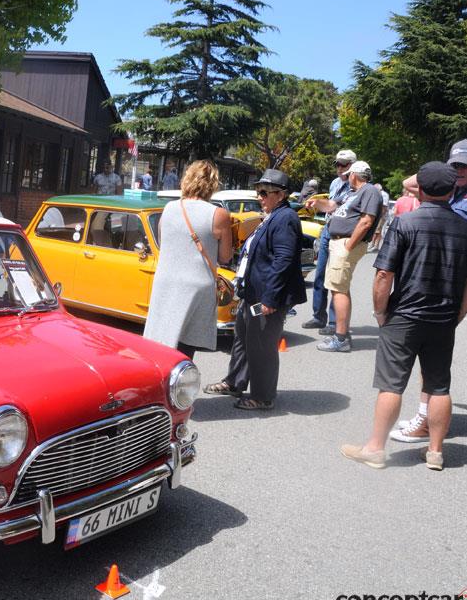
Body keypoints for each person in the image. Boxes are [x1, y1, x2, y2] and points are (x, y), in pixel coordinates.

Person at [341, 162, 467, 470]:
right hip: (444, 316)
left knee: (392, 384)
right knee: (438, 385)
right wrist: (458, 314)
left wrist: (381, 311)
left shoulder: (405, 223)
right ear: (453, 189)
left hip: (404, 314)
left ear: (419, 188)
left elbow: (383, 274)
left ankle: (376, 449)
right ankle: (435, 451)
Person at [391, 139, 467, 442]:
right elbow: (408, 182)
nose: (458, 171)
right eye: (453, 165)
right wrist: (441, 173)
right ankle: (424, 415)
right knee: (427, 357)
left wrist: (456, 264)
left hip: (449, 288)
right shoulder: (453, 187)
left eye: (464, 166)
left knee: (434, 361)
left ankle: (425, 423)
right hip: (430, 284)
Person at [205, 169, 306, 410]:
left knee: (262, 345)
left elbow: (283, 261)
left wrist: (270, 299)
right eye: (258, 191)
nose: (259, 196)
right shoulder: (272, 216)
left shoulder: (285, 219)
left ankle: (262, 395)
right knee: (242, 338)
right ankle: (235, 382)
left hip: (266, 296)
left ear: (280, 195)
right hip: (252, 292)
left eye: (264, 192)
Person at [143, 160, 233, 359]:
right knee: (184, 349)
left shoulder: (169, 208)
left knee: (161, 342)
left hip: (165, 281)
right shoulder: (219, 215)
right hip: (196, 286)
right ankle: (178, 386)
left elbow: (162, 242)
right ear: (213, 184)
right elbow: (225, 257)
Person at [312, 160, 383, 352]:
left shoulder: (369, 191)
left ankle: (341, 338)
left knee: (338, 288)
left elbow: (367, 221)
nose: (346, 176)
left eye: (348, 173)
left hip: (346, 244)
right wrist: (317, 203)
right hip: (339, 242)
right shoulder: (353, 192)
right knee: (339, 287)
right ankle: (341, 333)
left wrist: (348, 245)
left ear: (354, 175)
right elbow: (332, 206)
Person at [302, 150, 356, 334]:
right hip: (327, 229)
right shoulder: (335, 183)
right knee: (320, 274)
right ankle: (319, 316)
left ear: (353, 166)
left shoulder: (356, 186)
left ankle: (334, 323)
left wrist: (318, 203)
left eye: (344, 164)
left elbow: (336, 206)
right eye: (337, 164)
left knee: (336, 280)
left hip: (342, 234)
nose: (339, 168)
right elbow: (330, 206)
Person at [369, 183, 391, 251]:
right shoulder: (378, 193)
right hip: (377, 215)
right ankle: (375, 245)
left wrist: (379, 216)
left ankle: (373, 245)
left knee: (377, 231)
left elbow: (384, 207)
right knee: (377, 231)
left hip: (381, 216)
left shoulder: (384, 194)